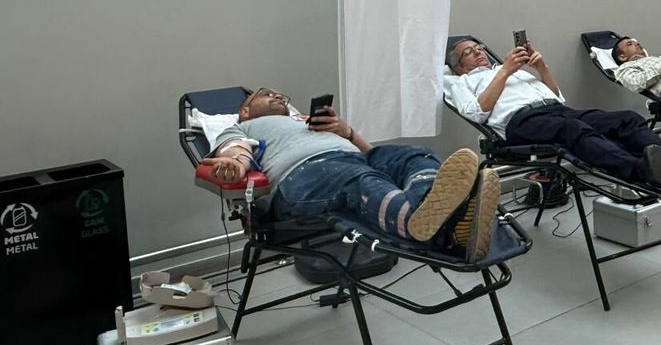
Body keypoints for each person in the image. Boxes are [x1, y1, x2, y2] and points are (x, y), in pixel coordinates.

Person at [198, 88, 499, 261]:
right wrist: (236, 165)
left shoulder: (306, 120)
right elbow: (236, 149)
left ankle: (432, 215)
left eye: (279, 94)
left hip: (357, 158)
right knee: (361, 182)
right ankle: (434, 224)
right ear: (245, 110)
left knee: (412, 155)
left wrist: (347, 132)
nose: (276, 95)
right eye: (266, 94)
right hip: (304, 174)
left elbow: (370, 153)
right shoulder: (243, 126)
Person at [445, 38, 661, 192]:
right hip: (520, 123)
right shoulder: (461, 82)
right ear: (458, 65)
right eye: (469, 52)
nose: (479, 52)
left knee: (626, 119)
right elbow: (477, 113)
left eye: (479, 47)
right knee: (573, 131)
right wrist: (506, 71)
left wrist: (541, 68)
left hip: (556, 110)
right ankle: (640, 171)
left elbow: (557, 97)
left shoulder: (510, 70)